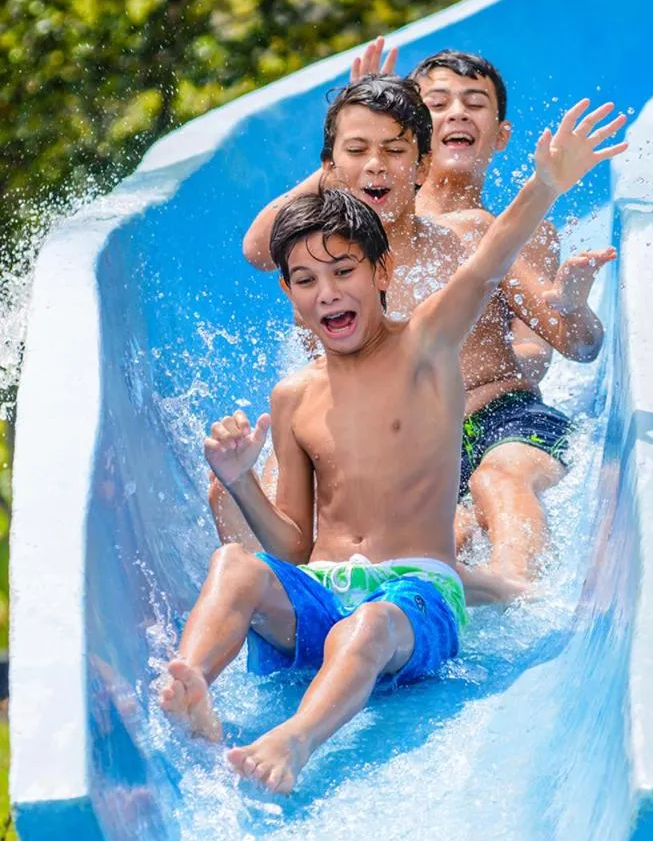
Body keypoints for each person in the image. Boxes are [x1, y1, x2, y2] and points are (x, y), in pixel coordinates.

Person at [159, 127, 603, 792]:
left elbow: (486, 262)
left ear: (382, 274)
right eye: (307, 281)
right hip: (322, 591)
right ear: (289, 293)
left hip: (412, 595)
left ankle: (295, 739)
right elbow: (294, 540)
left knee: (366, 627)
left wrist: (545, 183)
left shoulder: (424, 345)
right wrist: (239, 481)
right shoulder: (294, 397)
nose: (328, 293)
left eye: (344, 273)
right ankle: (192, 683)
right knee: (234, 563)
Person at [240, 71, 625, 582]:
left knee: (498, 480)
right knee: (437, 525)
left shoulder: (464, 235)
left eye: (393, 151)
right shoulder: (324, 279)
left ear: (422, 165)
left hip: (497, 419)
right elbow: (258, 249)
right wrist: (348, 134)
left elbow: (579, 345)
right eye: (357, 152)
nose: (376, 166)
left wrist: (571, 305)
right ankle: (278, 596)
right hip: (396, 447)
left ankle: (520, 591)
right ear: (331, 168)